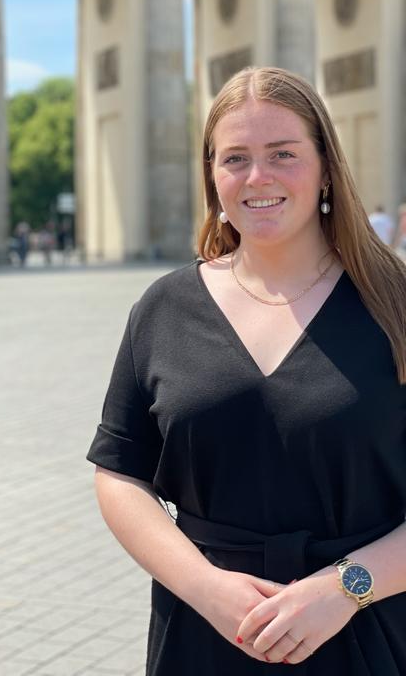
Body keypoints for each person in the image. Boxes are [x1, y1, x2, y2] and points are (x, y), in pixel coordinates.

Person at [87, 66, 406, 674]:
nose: (258, 177)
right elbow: (119, 474)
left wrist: (345, 588)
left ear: (326, 168)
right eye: (235, 158)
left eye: (282, 154)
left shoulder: (396, 303)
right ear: (212, 175)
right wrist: (205, 587)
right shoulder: (164, 307)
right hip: (206, 635)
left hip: (369, 628)